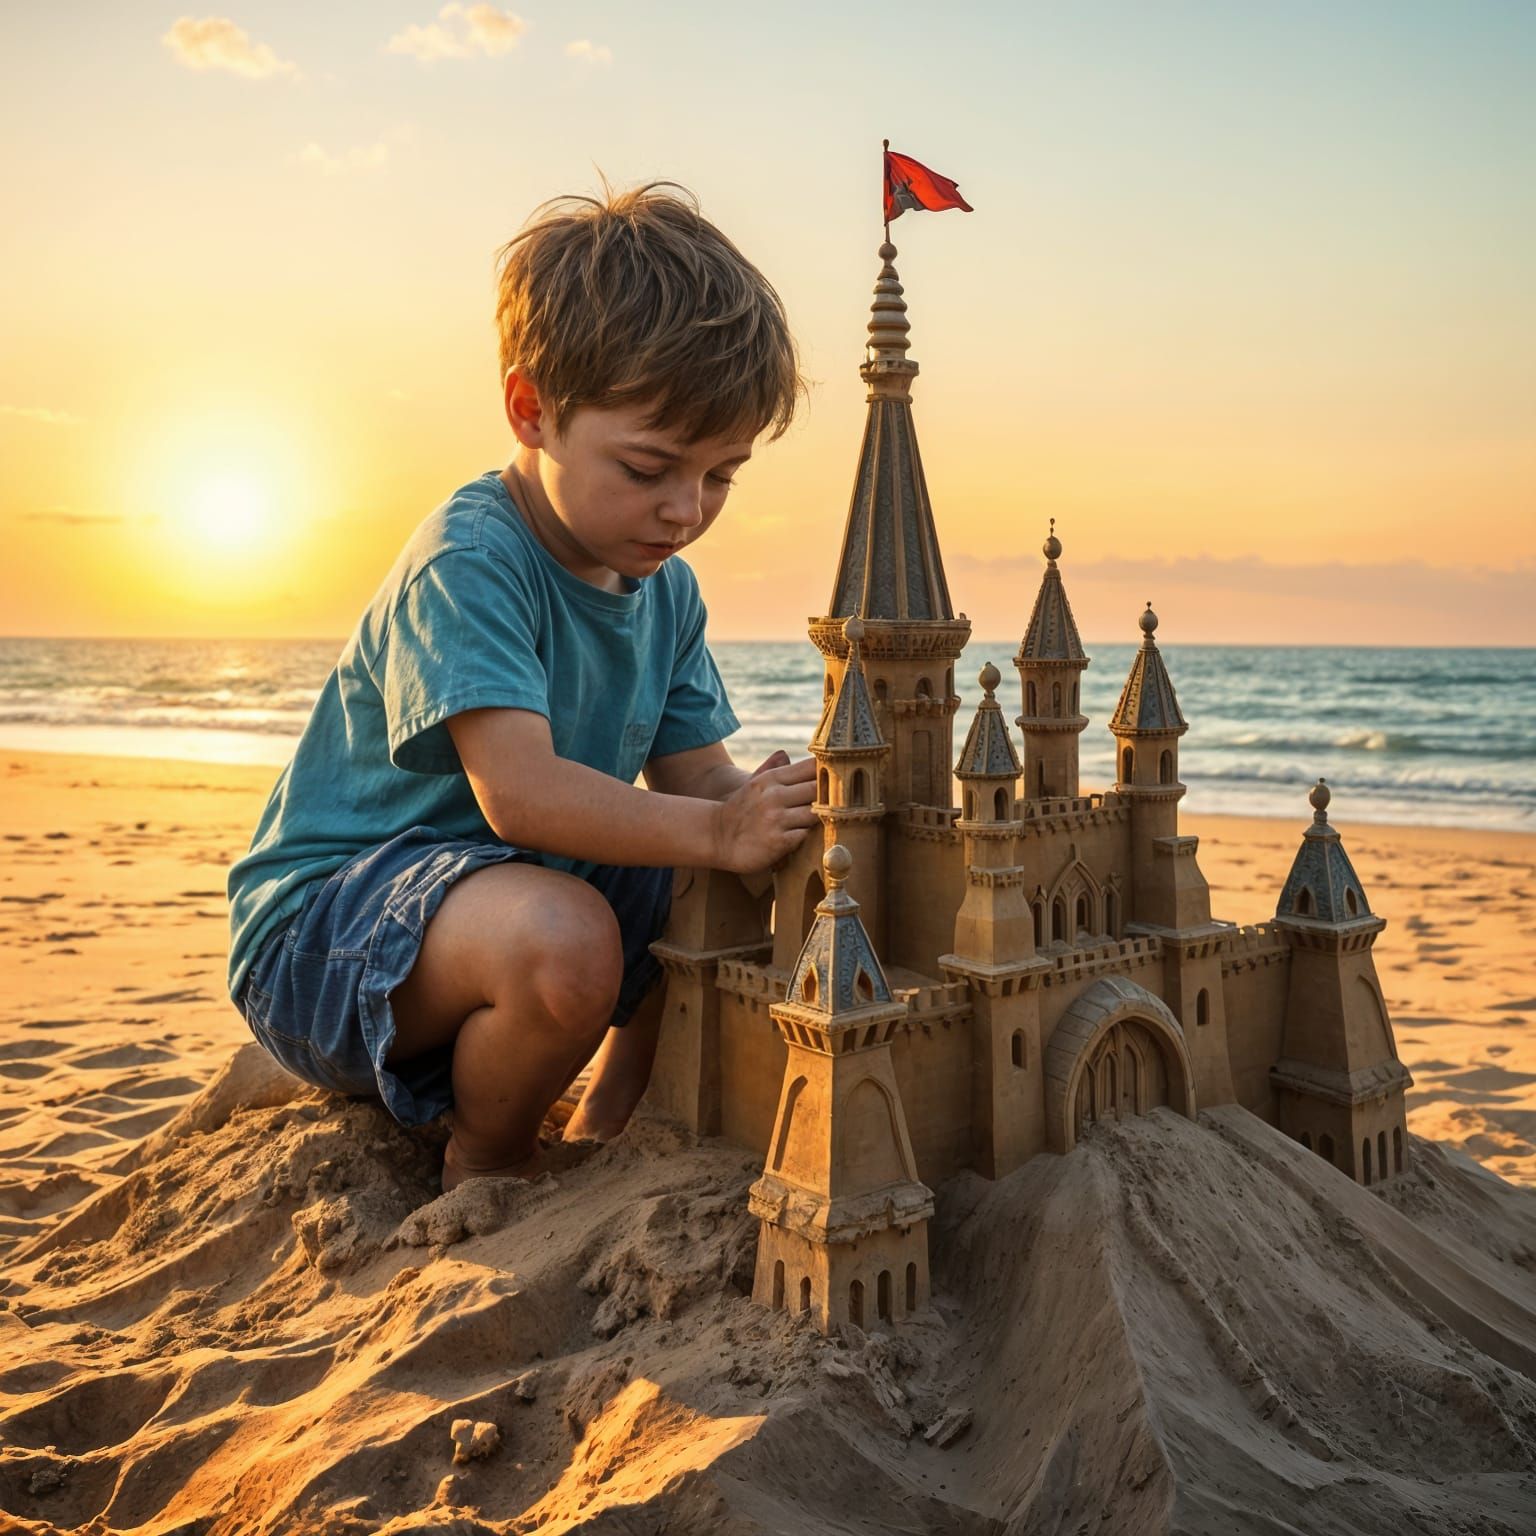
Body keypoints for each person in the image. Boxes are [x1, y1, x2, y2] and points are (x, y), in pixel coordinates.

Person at [226, 183, 816, 1191]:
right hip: (323, 939)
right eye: (648, 467)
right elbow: (523, 793)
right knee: (573, 935)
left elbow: (699, 781)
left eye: (722, 476)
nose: (685, 510)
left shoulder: (663, 591)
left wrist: (771, 809)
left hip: (491, 916)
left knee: (714, 871)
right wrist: (714, 829)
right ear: (532, 411)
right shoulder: (470, 558)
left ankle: (614, 1115)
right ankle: (487, 1155)